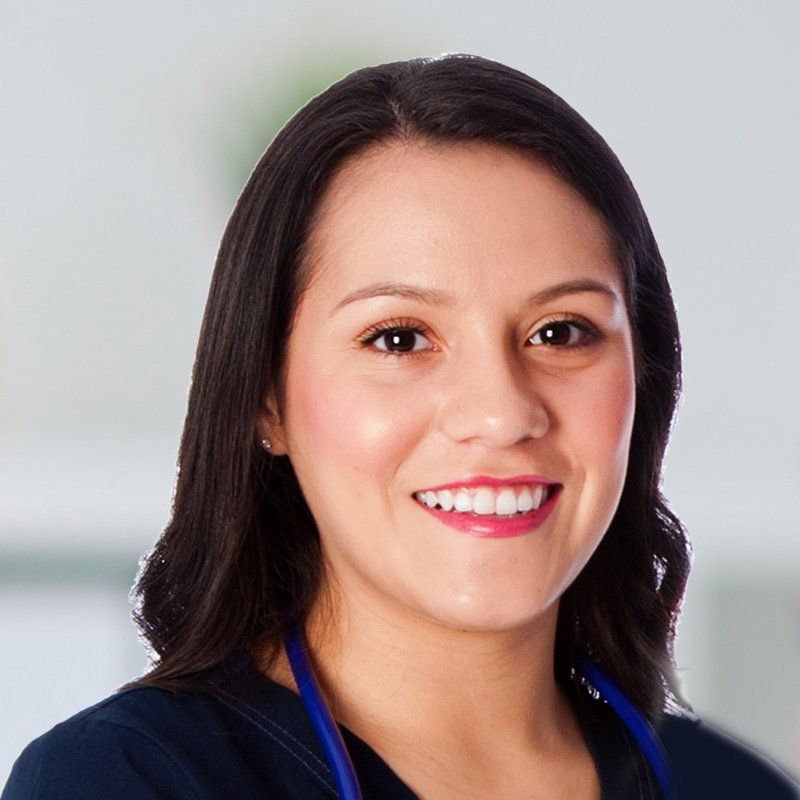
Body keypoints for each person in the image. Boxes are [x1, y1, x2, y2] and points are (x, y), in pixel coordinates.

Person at [3, 53, 798, 800]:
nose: (500, 412)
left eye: (560, 332)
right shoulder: (128, 780)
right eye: (399, 338)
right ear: (266, 399)